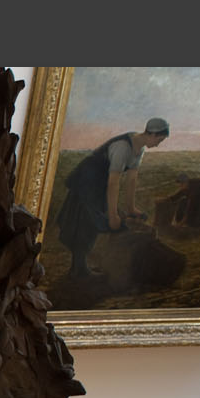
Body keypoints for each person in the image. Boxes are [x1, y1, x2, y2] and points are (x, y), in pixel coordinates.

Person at [53, 116, 169, 278]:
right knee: (85, 223)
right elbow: (114, 183)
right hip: (87, 182)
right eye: (160, 140)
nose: (158, 144)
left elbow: (131, 179)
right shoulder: (122, 147)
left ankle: (80, 268)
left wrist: (131, 208)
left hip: (99, 184)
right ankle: (79, 269)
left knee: (93, 223)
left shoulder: (139, 149)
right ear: (152, 134)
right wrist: (113, 215)